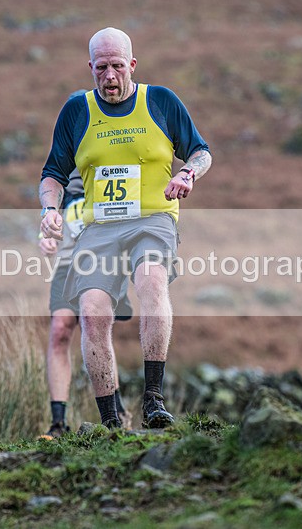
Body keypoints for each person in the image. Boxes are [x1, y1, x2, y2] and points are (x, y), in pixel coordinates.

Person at [38, 27, 212, 429]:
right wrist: (49, 208)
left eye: (118, 66)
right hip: (101, 227)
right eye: (102, 68)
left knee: (151, 280)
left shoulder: (161, 101)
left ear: (132, 64)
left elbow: (201, 152)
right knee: (92, 311)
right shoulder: (76, 111)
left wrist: (188, 174)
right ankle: (112, 424)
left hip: (153, 218)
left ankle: (153, 399)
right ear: (90, 68)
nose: (110, 77)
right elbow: (52, 174)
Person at [38, 159, 134, 438]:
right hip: (66, 266)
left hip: (102, 261)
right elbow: (48, 220)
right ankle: (58, 423)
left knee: (96, 330)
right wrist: (45, 238)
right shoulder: (60, 179)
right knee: (59, 330)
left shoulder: (114, 166)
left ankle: (117, 415)